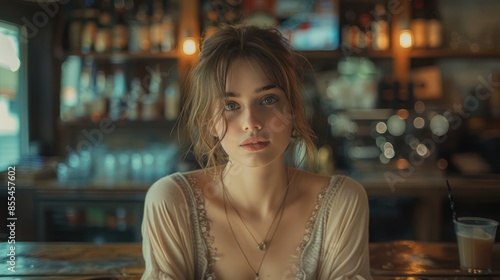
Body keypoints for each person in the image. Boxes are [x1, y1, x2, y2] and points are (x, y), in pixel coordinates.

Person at [141, 24, 372, 280]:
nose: (252, 122)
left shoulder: (342, 201)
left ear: (293, 110)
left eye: (268, 99)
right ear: (209, 122)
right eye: (230, 105)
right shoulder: (173, 201)